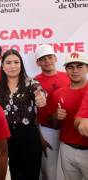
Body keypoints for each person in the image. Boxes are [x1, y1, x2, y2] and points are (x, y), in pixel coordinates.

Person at [0, 49, 46, 180]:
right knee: (11, 175)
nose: (13, 66)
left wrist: (41, 98)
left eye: (16, 62)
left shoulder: (32, 84)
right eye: (8, 63)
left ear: (21, 65)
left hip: (28, 136)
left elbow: (40, 94)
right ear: (2, 66)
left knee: (30, 175)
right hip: (5, 138)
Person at [49, 52, 88, 180]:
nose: (75, 70)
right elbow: (53, 125)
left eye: (79, 66)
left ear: (87, 68)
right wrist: (55, 116)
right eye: (70, 67)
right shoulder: (58, 94)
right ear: (65, 69)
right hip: (67, 148)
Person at [34, 44, 70, 180]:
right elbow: (33, 113)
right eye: (43, 59)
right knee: (49, 171)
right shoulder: (34, 81)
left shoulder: (68, 76)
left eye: (50, 57)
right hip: (47, 130)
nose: (47, 61)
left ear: (55, 58)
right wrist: (40, 137)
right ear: (37, 62)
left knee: (66, 170)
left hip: (68, 128)